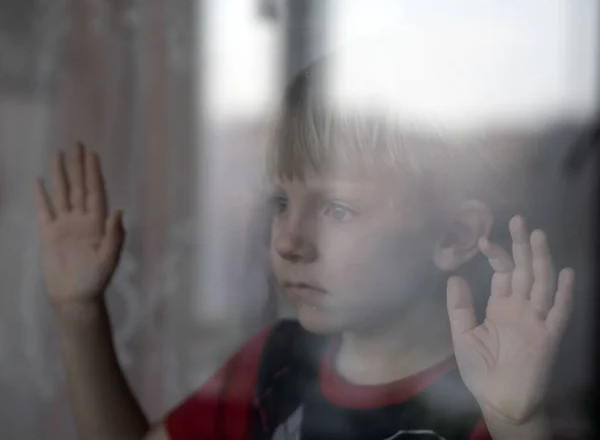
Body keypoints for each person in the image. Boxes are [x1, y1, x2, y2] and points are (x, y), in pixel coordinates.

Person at [34, 61, 575, 440]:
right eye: (279, 203)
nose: (288, 241)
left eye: (337, 210)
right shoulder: (271, 364)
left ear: (454, 236)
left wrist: (519, 427)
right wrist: (79, 313)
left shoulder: (493, 397)